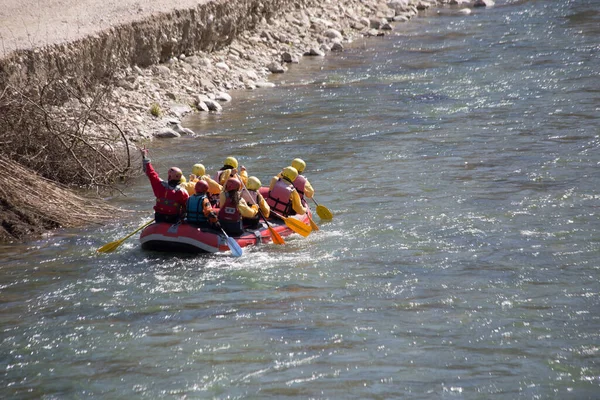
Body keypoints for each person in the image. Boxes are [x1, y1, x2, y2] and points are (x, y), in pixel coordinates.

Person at [141, 147, 189, 224]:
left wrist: (144, 156)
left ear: (169, 176)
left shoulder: (159, 185)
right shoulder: (182, 192)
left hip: (159, 218)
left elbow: (151, 173)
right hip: (174, 219)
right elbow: (186, 208)